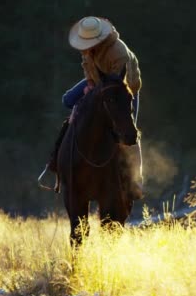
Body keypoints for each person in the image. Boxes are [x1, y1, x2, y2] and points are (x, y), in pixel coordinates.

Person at [39, 16, 143, 197]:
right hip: (99, 84)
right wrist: (90, 86)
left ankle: (135, 181)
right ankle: (56, 162)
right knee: (68, 100)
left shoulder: (119, 52)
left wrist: (99, 92)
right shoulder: (88, 50)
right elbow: (88, 69)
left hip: (124, 90)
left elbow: (127, 84)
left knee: (128, 129)